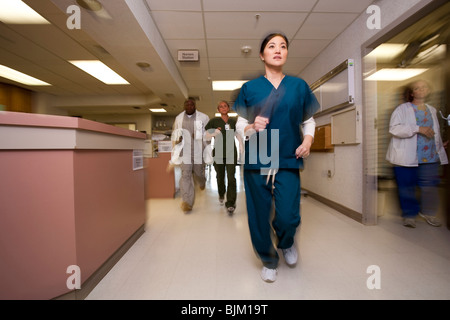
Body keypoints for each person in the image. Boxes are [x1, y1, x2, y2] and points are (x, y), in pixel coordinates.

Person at [233, 33, 319, 282]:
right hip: (259, 153)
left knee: (288, 215)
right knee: (260, 213)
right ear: (262, 55)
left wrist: (308, 140)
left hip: (287, 155)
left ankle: (287, 241)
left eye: (283, 46)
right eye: (272, 46)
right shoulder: (250, 88)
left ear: (286, 53)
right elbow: (240, 125)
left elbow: (309, 120)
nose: (278, 49)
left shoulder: (298, 86)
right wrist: (251, 127)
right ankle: (269, 260)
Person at [386, 80, 448, 228]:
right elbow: (394, 129)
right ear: (412, 93)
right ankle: (409, 215)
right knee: (407, 187)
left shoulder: (431, 110)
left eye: (424, 87)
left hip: (430, 155)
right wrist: (417, 128)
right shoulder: (402, 109)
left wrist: (440, 144)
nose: (421, 89)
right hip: (407, 156)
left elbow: (435, 131)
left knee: (429, 187)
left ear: (428, 90)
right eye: (417, 88)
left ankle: (429, 213)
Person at [172, 98, 210, 213]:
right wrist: (177, 141)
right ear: (184, 106)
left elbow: (209, 134)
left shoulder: (204, 117)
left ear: (195, 106)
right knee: (186, 175)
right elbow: (175, 134)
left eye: (191, 104)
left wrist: (200, 135)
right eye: (187, 104)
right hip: (185, 152)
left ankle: (202, 181)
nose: (189, 106)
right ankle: (187, 202)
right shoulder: (178, 118)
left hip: (198, 150)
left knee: (198, 173)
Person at [205, 101, 243, 215]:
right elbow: (206, 135)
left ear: (228, 108)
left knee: (231, 178)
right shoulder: (213, 121)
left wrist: (241, 145)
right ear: (218, 109)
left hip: (231, 152)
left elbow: (238, 134)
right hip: (218, 153)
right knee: (220, 177)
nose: (223, 108)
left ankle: (230, 203)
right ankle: (221, 193)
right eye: (221, 107)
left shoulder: (233, 121)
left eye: (225, 106)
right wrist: (213, 133)